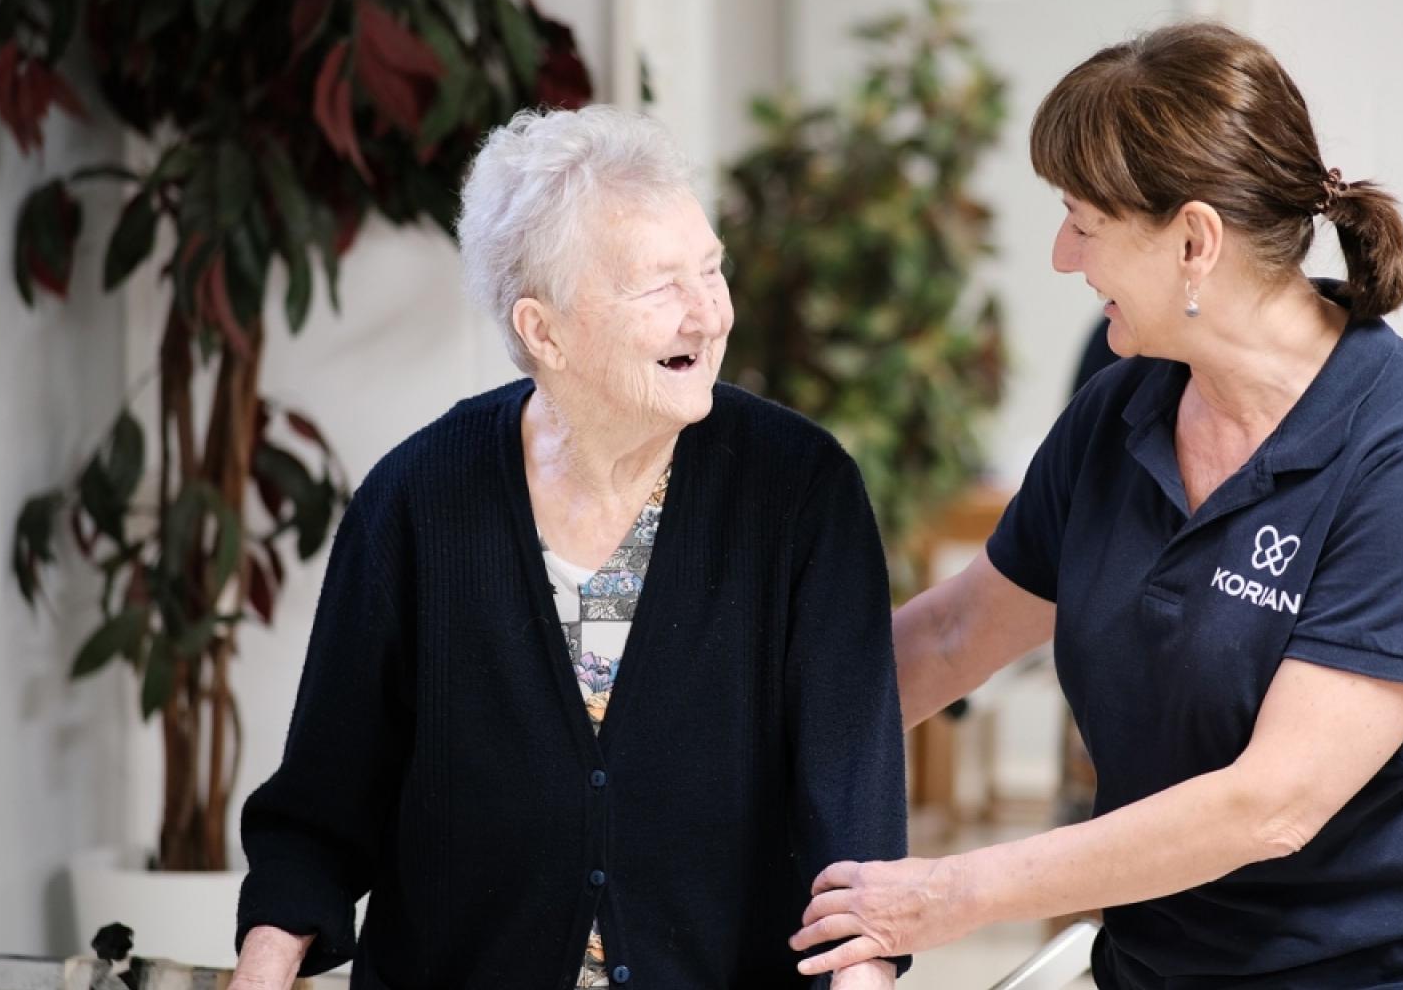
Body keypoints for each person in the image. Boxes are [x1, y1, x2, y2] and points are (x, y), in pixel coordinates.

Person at [791, 21, 1403, 988]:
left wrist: (947, 893)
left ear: (1194, 240)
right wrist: (726, 746)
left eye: (1084, 223)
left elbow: (1271, 804)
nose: (1064, 256)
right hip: (1162, 967)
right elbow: (952, 635)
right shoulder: (1120, 407)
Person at [228, 106, 907, 990]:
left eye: (712, 269)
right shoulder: (417, 503)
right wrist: (260, 972)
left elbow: (851, 837)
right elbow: (320, 812)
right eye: (659, 286)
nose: (708, 313)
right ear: (543, 330)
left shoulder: (801, 495)